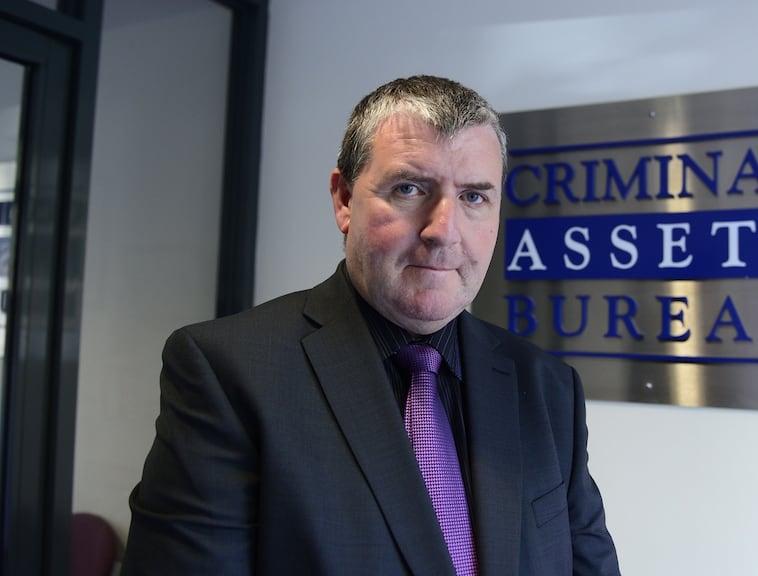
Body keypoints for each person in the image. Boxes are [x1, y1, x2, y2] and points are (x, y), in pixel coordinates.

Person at [121, 75, 620, 575]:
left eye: (473, 197)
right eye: (409, 189)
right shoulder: (229, 374)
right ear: (343, 199)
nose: (444, 232)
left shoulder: (547, 387)